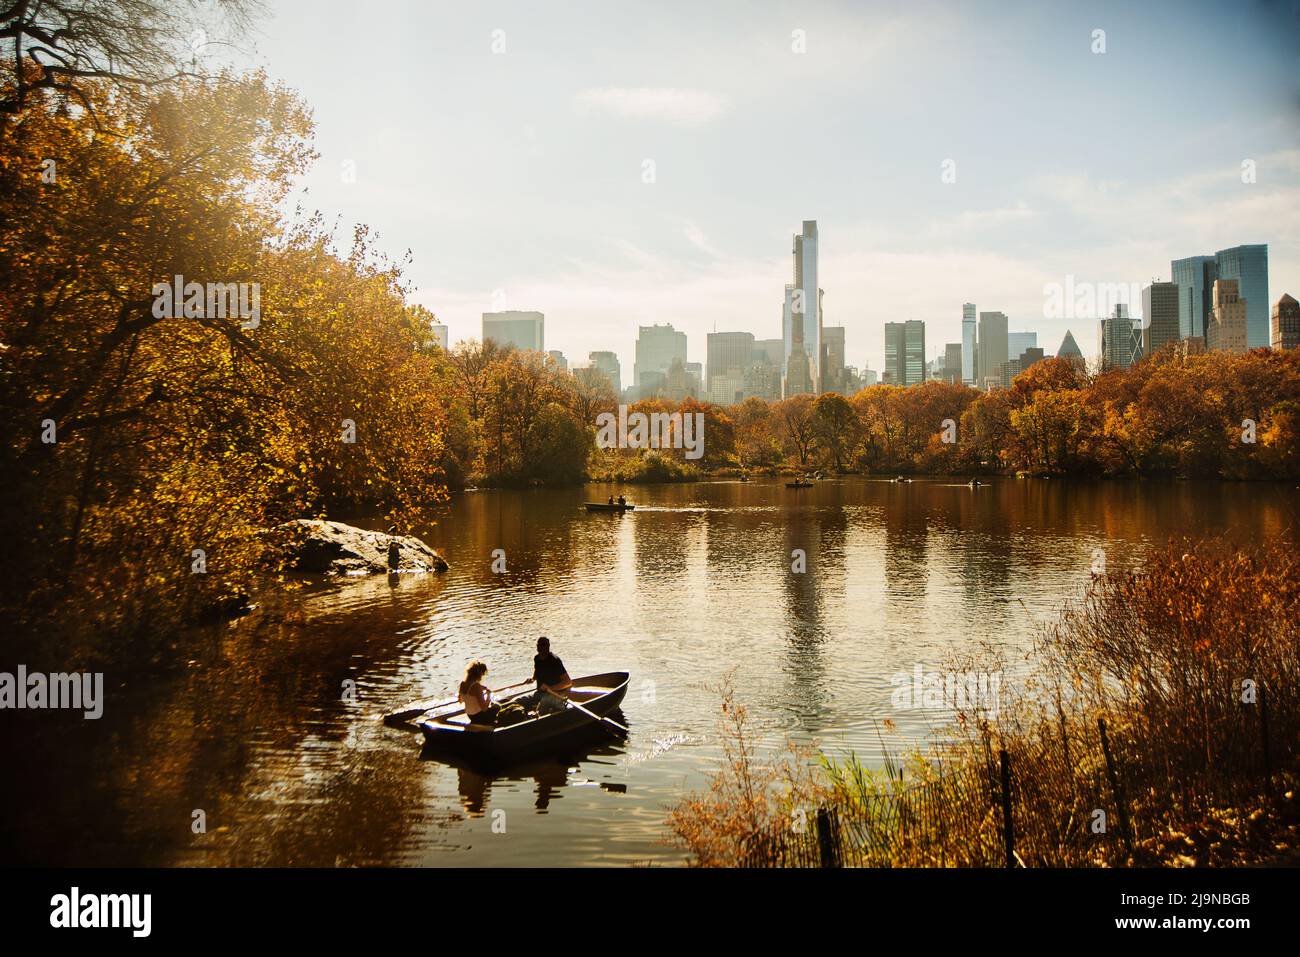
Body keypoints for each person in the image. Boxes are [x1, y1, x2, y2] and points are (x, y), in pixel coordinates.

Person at [528, 636, 571, 714]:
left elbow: (568, 682)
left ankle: (536, 715)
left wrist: (550, 688)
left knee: (543, 704)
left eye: (543, 645)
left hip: (555, 694)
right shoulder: (537, 658)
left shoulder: (554, 661)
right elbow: (537, 671)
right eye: (539, 645)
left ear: (548, 646)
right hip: (540, 693)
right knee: (520, 700)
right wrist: (532, 679)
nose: (540, 647)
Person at [458, 660, 499, 726]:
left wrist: (479, 689)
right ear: (479, 674)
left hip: (470, 715)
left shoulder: (462, 684)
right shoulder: (476, 686)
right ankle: (494, 725)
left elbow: (460, 701)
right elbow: (484, 708)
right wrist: (488, 695)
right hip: (480, 716)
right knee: (497, 706)